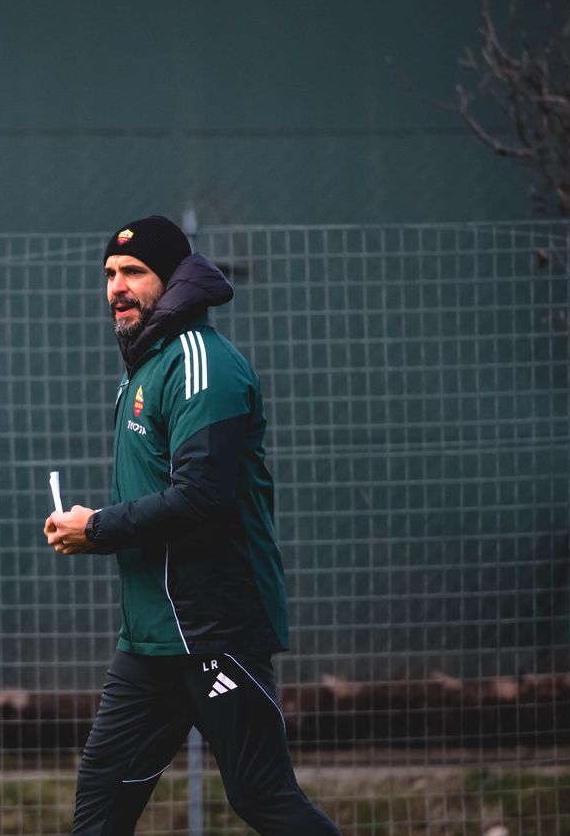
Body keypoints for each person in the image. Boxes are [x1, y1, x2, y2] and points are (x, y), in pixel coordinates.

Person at [43, 215, 342, 835]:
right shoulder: (144, 364)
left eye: (133, 272)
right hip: (149, 640)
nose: (116, 287)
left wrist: (96, 528)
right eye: (109, 274)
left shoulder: (203, 363)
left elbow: (202, 497)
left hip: (214, 629)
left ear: (171, 279)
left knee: (263, 799)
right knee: (99, 804)